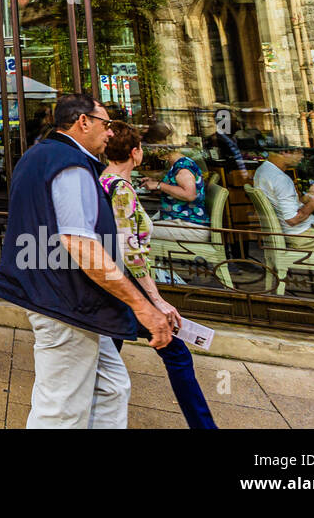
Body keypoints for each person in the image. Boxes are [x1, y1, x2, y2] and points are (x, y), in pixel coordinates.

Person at [0, 92, 172, 429]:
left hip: (69, 297)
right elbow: (81, 245)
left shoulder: (42, 155)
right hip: (66, 301)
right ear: (83, 121)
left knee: (111, 388)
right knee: (61, 408)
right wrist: (143, 306)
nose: (110, 133)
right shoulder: (69, 163)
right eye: (106, 124)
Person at [101, 124, 218, 428]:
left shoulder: (105, 181)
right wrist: (155, 298)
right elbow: (131, 250)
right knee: (176, 352)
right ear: (135, 153)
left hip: (114, 284)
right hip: (126, 284)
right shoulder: (121, 189)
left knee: (108, 352)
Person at [139, 122, 210, 243]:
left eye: (153, 147)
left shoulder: (183, 167)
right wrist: (155, 182)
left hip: (190, 226)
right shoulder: (175, 164)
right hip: (179, 221)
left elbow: (189, 194)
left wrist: (159, 185)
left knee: (137, 233)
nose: (153, 151)